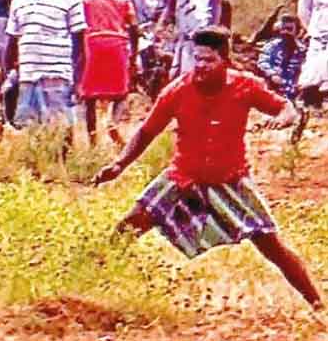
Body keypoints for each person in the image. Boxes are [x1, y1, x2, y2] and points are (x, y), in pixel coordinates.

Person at [94, 26, 323, 310]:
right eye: (197, 59)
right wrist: (119, 165)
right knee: (129, 226)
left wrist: (286, 117)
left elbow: (284, 107)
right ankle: (88, 280)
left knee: (272, 246)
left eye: (208, 60)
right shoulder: (177, 90)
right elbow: (146, 132)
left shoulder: (245, 85)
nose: (200, 66)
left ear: (224, 60)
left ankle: (318, 306)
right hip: (183, 177)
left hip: (230, 179)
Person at [4, 0, 86, 149]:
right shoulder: (19, 1)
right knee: (28, 129)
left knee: (61, 127)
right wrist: (5, 76)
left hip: (57, 74)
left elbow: (80, 43)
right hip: (28, 75)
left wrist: (78, 80)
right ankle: (36, 171)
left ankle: (64, 172)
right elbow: (12, 42)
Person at [80, 0, 139, 147]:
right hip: (117, 44)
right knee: (120, 92)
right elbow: (134, 28)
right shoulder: (123, 0)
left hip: (92, 45)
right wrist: (134, 56)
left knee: (90, 96)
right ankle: (113, 125)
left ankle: (92, 140)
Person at [297, 0, 328, 110]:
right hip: (318, 36)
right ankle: (309, 107)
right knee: (312, 73)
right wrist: (311, 29)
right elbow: (304, 10)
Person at [257, 14, 305, 101]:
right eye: (283, 29)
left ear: (297, 31)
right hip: (271, 89)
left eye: (289, 29)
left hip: (292, 92)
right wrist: (272, 74)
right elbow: (262, 61)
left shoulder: (302, 50)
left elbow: (304, 69)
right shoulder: (272, 46)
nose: (285, 32)